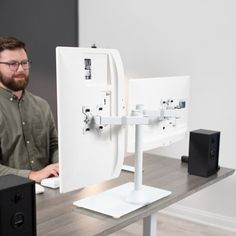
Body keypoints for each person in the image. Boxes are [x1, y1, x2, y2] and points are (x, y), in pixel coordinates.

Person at [0, 36, 59, 183]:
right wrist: (32, 175)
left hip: (49, 188)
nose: (21, 69)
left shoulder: (42, 105)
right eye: (12, 64)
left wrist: (59, 165)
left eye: (24, 63)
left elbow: (54, 145)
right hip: (10, 194)